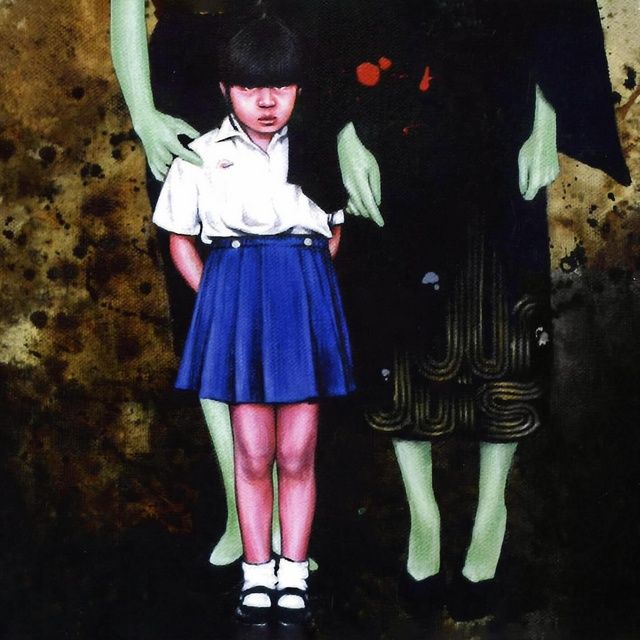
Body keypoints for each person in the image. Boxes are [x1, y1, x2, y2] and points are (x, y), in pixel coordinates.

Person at [331, 0, 630, 620]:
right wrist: (341, 131)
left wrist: (546, 118)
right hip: (391, 112)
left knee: (504, 321)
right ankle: (423, 514)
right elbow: (327, 20)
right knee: (400, 329)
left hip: (503, 105)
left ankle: (491, 512)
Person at [110, 0, 378, 568]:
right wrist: (144, 114)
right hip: (187, 77)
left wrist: (346, 126)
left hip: (292, 60)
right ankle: (242, 509)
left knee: (302, 298)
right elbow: (125, 6)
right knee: (210, 312)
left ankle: (291, 520)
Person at [152, 16, 355, 625]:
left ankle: (294, 573)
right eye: (249, 88)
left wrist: (305, 289)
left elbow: (335, 230)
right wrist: (221, 299)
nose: (267, 102)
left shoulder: (318, 151)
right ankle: (256, 573)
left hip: (301, 297)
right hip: (236, 296)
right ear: (224, 90)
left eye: (281, 87)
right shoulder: (200, 155)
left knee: (297, 450)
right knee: (252, 449)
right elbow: (180, 239)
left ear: (299, 90)